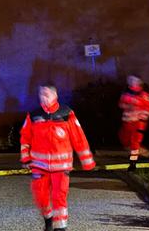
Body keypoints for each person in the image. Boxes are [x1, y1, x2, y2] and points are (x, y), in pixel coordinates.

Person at [20, 84, 95, 231]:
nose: (43, 97)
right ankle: (48, 219)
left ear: (55, 96)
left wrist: (87, 161)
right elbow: (25, 138)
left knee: (59, 198)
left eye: (46, 94)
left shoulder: (67, 114)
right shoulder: (34, 115)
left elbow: (79, 138)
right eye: (41, 94)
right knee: (40, 197)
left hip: (61, 167)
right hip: (39, 166)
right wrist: (25, 158)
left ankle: (60, 227)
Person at [118, 75, 149, 171]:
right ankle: (144, 153)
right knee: (125, 141)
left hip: (138, 123)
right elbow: (121, 104)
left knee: (135, 143)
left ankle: (133, 163)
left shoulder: (145, 95)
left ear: (139, 82)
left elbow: (148, 109)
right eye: (130, 80)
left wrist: (141, 119)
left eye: (133, 80)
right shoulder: (126, 94)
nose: (131, 81)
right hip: (127, 123)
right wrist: (128, 106)